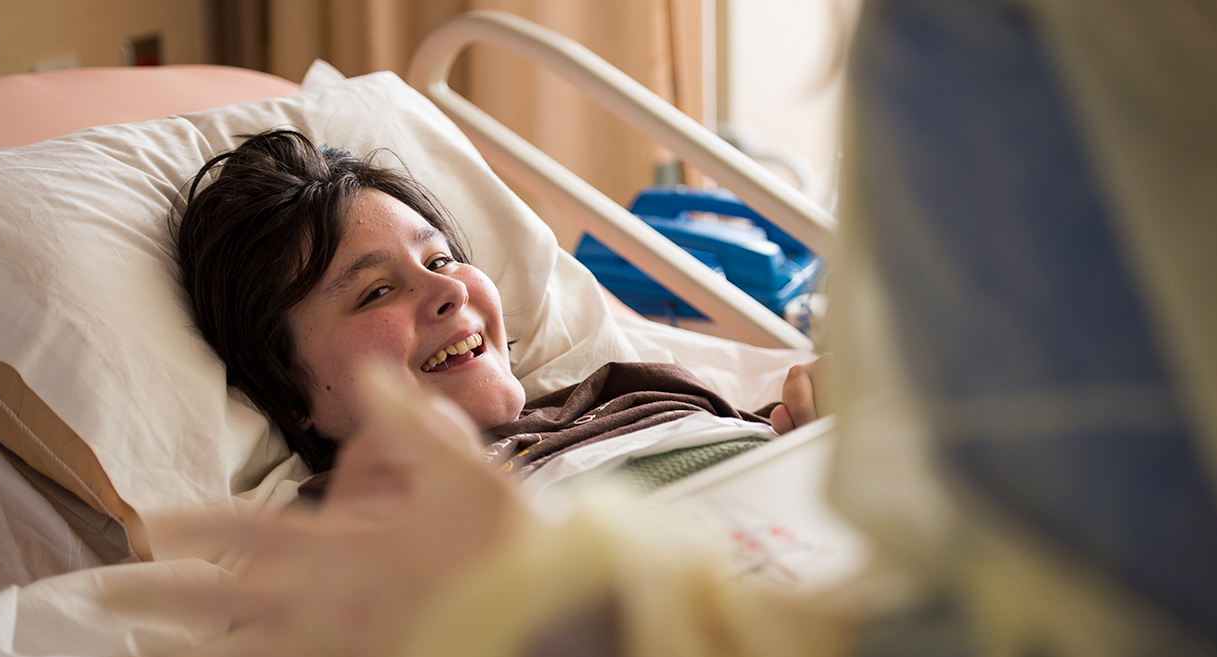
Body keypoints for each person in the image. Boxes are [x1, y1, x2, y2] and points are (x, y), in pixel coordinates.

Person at [175, 129, 825, 490]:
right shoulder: (352, 538)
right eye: (374, 292)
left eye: (438, 261)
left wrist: (823, 422)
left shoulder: (636, 390)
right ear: (291, 396)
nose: (449, 291)